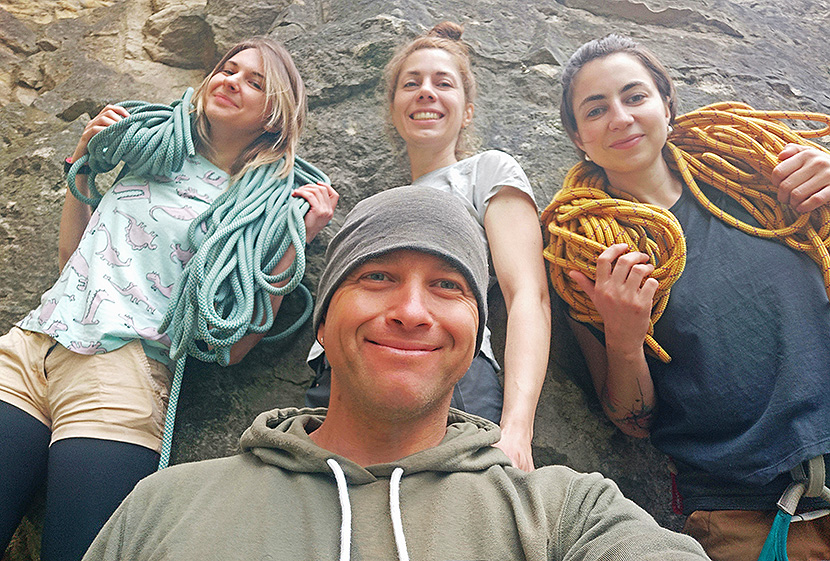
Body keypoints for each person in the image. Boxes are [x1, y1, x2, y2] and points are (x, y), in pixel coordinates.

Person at [82, 186, 708, 561]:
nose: (411, 312)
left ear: (474, 337)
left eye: (446, 286)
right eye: (377, 276)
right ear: (322, 327)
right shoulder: (160, 509)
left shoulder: (566, 514)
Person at [0, 37, 338, 561]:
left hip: (121, 379)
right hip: (28, 350)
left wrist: (298, 241)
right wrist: (82, 168)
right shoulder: (151, 154)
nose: (232, 81)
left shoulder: (262, 207)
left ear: (277, 116)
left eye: (256, 82)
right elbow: (73, 261)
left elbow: (232, 347)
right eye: (228, 70)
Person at [547, 34, 830, 560]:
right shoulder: (588, 256)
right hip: (745, 516)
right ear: (578, 136)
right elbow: (632, 420)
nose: (621, 117)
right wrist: (625, 341)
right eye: (596, 108)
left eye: (635, 97)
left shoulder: (767, 181)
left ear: (666, 105)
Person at [305, 21, 551, 472]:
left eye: (443, 83)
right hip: (342, 374)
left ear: (468, 109)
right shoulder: (382, 203)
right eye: (410, 84)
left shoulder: (486, 171)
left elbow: (527, 296)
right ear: (393, 108)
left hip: (447, 372)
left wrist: (517, 429)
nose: (425, 92)